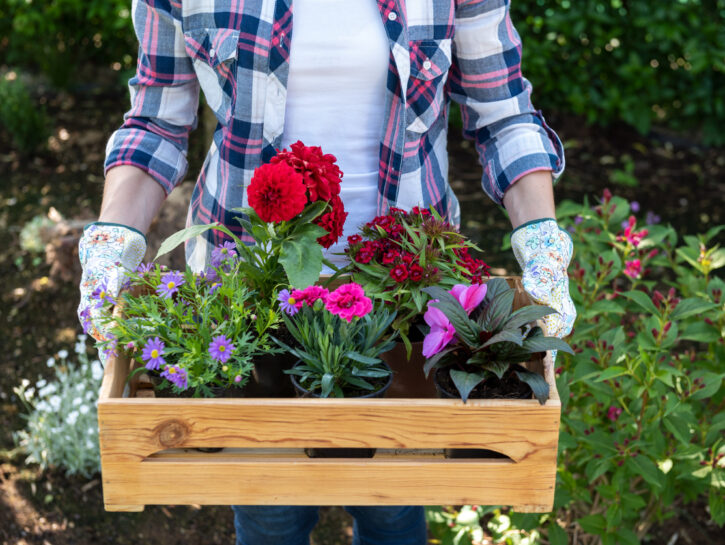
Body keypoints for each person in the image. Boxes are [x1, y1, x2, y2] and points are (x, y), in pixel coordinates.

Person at [78, 0, 576, 543]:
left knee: (392, 502)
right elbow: (156, 120)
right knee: (271, 511)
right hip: (250, 295)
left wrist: (543, 241)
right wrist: (113, 240)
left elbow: (503, 113)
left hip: (406, 298)